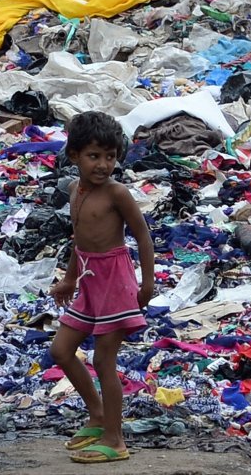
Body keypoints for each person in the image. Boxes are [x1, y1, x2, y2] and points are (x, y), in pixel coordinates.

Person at [48, 111, 155, 464]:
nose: (104, 165)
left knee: (103, 360)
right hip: (89, 282)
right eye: (95, 156)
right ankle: (97, 415)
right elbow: (80, 240)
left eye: (110, 157)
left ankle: (115, 439)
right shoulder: (75, 191)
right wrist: (68, 278)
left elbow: (143, 236)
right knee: (61, 351)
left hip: (116, 282)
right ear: (74, 155)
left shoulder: (117, 193)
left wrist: (147, 283)